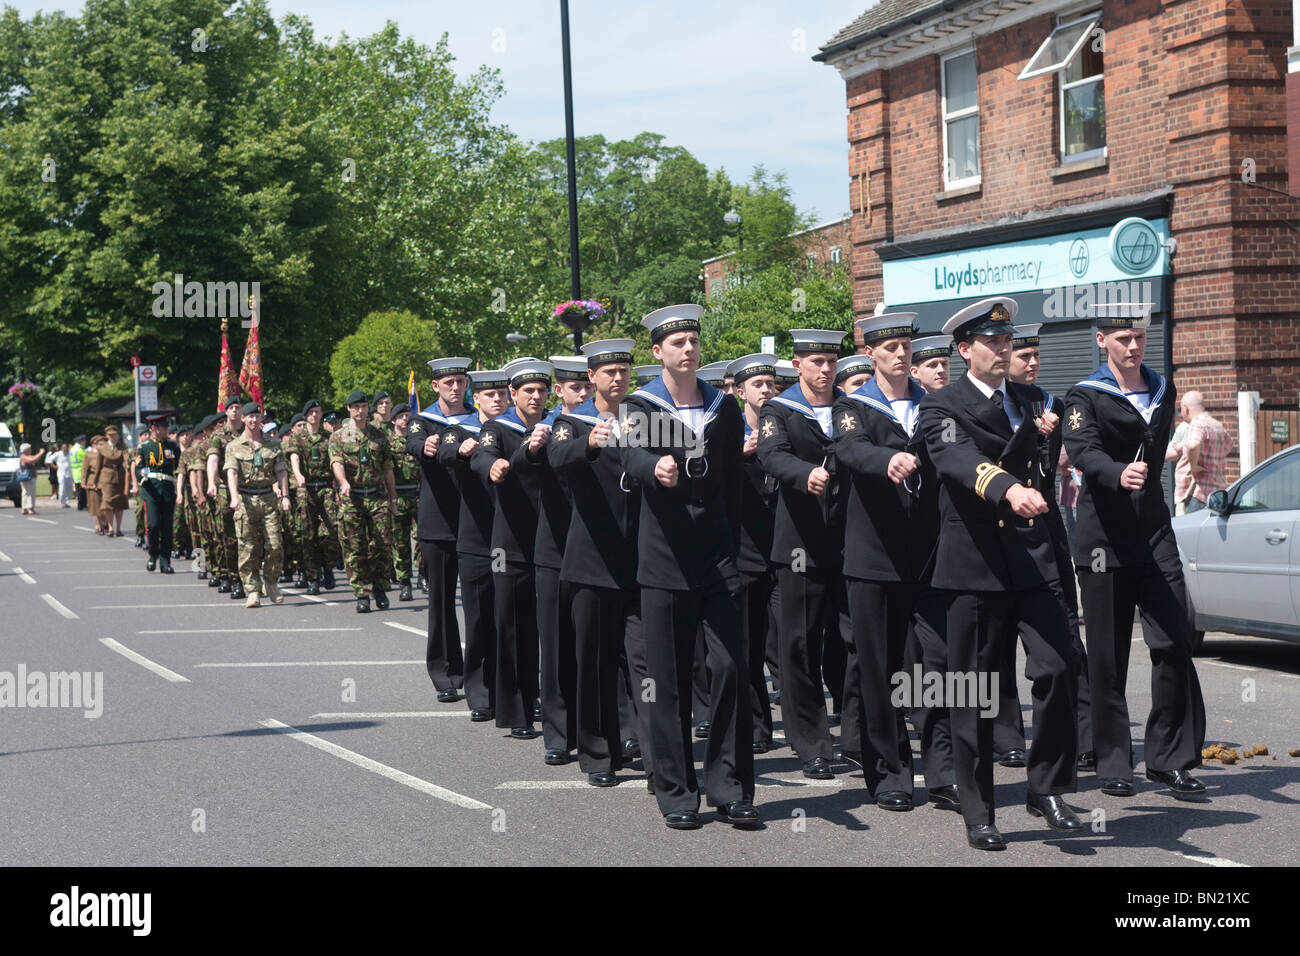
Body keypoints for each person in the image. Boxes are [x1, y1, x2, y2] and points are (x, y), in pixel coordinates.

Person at [919, 297, 1082, 851]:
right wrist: (1008, 488)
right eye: (992, 342)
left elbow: (1045, 463)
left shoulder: (1035, 400)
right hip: (974, 566)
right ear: (965, 350)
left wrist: (1045, 439)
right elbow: (957, 460)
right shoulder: (940, 405)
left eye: (1008, 341)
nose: (1004, 349)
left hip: (1031, 561)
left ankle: (1048, 789)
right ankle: (979, 809)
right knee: (975, 691)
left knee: (1059, 667)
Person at [620, 304, 757, 830]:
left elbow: (732, 484)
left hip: (718, 560)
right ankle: (676, 790)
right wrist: (654, 467)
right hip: (664, 561)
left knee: (728, 669)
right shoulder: (641, 405)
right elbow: (627, 457)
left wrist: (739, 552)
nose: (689, 349)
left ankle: (729, 786)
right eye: (677, 343)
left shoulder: (722, 406)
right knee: (668, 680)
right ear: (658, 352)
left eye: (694, 341)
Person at [1064, 302, 1207, 798]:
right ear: (1102, 340)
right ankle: (1112, 763)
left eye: (1139, 338)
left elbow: (1161, 440)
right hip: (1104, 538)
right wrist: (1114, 472)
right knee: (1109, 656)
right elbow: (1082, 449)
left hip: (1153, 533)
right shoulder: (1085, 394)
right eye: (1123, 338)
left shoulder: (1162, 389)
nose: (1133, 347)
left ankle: (1169, 758)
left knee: (1172, 640)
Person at [834, 313, 956, 813]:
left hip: (929, 557)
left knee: (938, 664)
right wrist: (884, 461)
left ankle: (944, 772)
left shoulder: (935, 407)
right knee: (880, 668)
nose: (901, 355)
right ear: (871, 356)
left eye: (906, 346)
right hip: (874, 558)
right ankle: (889, 774)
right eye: (890, 349)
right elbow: (849, 448)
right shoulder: (853, 407)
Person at [757, 328, 862, 780]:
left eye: (831, 362)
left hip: (852, 542)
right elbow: (771, 454)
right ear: (797, 365)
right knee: (799, 646)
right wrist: (804, 475)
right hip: (800, 544)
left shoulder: (850, 407)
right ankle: (812, 744)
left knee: (857, 643)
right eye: (816, 362)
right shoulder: (777, 410)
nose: (825, 369)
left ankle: (858, 739)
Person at [548, 342, 651, 785]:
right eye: (609, 371)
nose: (618, 379)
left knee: (645, 661)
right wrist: (587, 444)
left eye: (624, 371)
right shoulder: (570, 423)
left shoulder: (647, 419)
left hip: (641, 559)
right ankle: (597, 754)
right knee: (593, 660)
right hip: (590, 560)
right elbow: (554, 457)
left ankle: (651, 750)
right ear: (592, 377)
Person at [471, 358, 554, 739]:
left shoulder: (556, 427)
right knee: (511, 624)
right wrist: (492, 466)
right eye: (528, 392)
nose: (536, 397)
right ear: (514, 396)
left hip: (551, 538)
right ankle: (515, 708)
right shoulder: (497, 428)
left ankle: (544, 698)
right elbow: (481, 454)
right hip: (511, 542)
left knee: (548, 625)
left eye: (541, 391)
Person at [437, 369, 511, 721]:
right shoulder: (459, 431)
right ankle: (480, 693)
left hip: (514, 540)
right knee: (479, 618)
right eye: (490, 395)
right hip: (476, 540)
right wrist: (463, 449)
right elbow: (446, 453)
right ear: (476, 399)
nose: (497, 400)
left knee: (511, 619)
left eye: (502, 394)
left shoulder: (516, 430)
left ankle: (514, 691)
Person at [406, 358, 475, 700]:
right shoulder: (424, 420)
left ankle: (484, 676)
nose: (455, 387)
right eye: (448, 382)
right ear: (435, 386)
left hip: (475, 521)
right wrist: (428, 447)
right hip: (438, 524)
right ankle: (445, 674)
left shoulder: (479, 418)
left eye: (460, 381)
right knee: (442, 602)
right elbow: (415, 443)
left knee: (481, 604)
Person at [532, 355, 589, 765]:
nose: (583, 394)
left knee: (598, 646)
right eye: (575, 389)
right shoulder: (547, 428)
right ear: (560, 391)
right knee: (554, 645)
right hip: (555, 547)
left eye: (586, 387)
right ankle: (557, 733)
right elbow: (525, 462)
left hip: (597, 549)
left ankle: (608, 729)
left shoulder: (617, 423)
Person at [727, 353, 781, 756]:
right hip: (743, 553)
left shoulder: (784, 425)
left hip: (781, 552)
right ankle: (756, 725)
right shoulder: (729, 432)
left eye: (770, 384)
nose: (765, 390)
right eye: (757, 385)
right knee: (744, 646)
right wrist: (737, 457)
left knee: (777, 644)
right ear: (740, 391)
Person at [330, 390, 397, 612]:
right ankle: (362, 593)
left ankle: (380, 586)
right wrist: (343, 482)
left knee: (383, 544)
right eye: (355, 407)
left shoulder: (378, 436)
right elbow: (336, 463)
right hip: (353, 498)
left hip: (377, 495)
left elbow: (388, 469)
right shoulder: (338, 436)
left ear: (369, 409)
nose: (360, 411)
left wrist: (393, 497)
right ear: (349, 409)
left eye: (364, 406)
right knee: (354, 547)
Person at [225, 402, 291, 608]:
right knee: (248, 548)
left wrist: (286, 496)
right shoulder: (234, 446)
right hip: (245, 500)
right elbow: (232, 472)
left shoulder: (273, 445)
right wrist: (234, 496)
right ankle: (252, 590)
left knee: (275, 545)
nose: (254, 420)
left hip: (268, 499)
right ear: (243, 419)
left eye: (257, 416)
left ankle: (271, 583)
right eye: (250, 417)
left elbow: (281, 471)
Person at [290, 400, 340, 595]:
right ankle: (313, 578)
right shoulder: (298, 437)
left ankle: (328, 568)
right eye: (310, 412)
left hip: (326, 487)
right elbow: (294, 456)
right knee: (307, 535)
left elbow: (336, 460)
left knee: (330, 532)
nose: (314, 415)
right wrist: (298, 474)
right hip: (306, 489)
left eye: (317, 412)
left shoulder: (329, 437)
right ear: (306, 415)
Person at [206, 396, 247, 599]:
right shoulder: (218, 436)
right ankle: (232, 578)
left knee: (251, 539)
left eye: (238, 408)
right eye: (231, 408)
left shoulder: (252, 432)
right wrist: (211, 482)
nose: (235, 411)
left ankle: (251, 578)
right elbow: (213, 460)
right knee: (228, 538)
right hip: (226, 491)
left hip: (250, 491)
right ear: (226, 412)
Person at [1167, 391, 1230, 515]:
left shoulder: (1196, 424)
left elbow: (1193, 445)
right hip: (1216, 492)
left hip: (1197, 493)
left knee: (1190, 532)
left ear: (1185, 409)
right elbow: (1229, 445)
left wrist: (1194, 465)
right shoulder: (1216, 424)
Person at [134, 414, 181, 573]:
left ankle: (165, 560)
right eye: (163, 427)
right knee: (153, 526)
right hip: (151, 490)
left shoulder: (173, 446)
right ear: (154, 428)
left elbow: (179, 466)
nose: (167, 429)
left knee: (167, 527)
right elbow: (138, 467)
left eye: (167, 426)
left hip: (167, 490)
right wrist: (142, 476)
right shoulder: (144, 447)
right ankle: (153, 553)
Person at [387, 405, 420, 601]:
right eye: (401, 416)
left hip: (417, 495)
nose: (405, 419)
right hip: (398, 496)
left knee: (422, 539)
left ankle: (423, 574)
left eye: (408, 416)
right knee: (400, 543)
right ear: (393, 420)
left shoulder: (417, 439)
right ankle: (404, 582)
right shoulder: (388, 443)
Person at [95, 425, 130, 536]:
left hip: (120, 476)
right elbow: (98, 466)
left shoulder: (123, 447)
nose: (113, 437)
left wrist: (130, 468)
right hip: (106, 478)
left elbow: (127, 460)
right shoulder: (102, 448)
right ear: (107, 436)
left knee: (120, 504)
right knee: (108, 503)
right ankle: (110, 527)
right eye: (110, 435)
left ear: (118, 435)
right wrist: (95, 481)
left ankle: (118, 528)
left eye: (114, 435)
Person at [17, 442, 45, 514]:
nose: (30, 450)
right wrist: (41, 453)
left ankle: (25, 508)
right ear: (25, 450)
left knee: (26, 492)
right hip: (28, 477)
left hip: (29, 476)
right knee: (30, 492)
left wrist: (39, 454)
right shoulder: (23, 456)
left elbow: (34, 459)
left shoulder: (27, 456)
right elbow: (31, 460)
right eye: (29, 449)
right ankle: (30, 508)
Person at [83, 435, 104, 531]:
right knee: (94, 505)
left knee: (104, 505)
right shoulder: (89, 454)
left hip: (103, 481)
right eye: (97, 444)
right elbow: (85, 469)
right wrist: (83, 481)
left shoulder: (105, 453)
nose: (99, 445)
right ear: (93, 444)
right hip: (92, 481)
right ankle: (98, 525)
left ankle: (105, 523)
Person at [51, 442, 73, 508]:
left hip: (69, 473)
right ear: (61, 448)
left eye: (66, 447)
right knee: (62, 487)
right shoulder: (58, 454)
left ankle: (66, 502)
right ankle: (62, 502)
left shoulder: (71, 453)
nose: (65, 449)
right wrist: (53, 466)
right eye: (63, 447)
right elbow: (48, 460)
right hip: (61, 473)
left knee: (69, 488)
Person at [70, 435, 87, 511]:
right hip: (81, 471)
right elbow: (87, 458)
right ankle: (81, 505)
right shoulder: (80, 450)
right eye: (84, 441)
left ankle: (82, 505)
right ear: (81, 441)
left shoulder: (73, 449)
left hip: (75, 471)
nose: (85, 442)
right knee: (81, 491)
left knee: (79, 489)